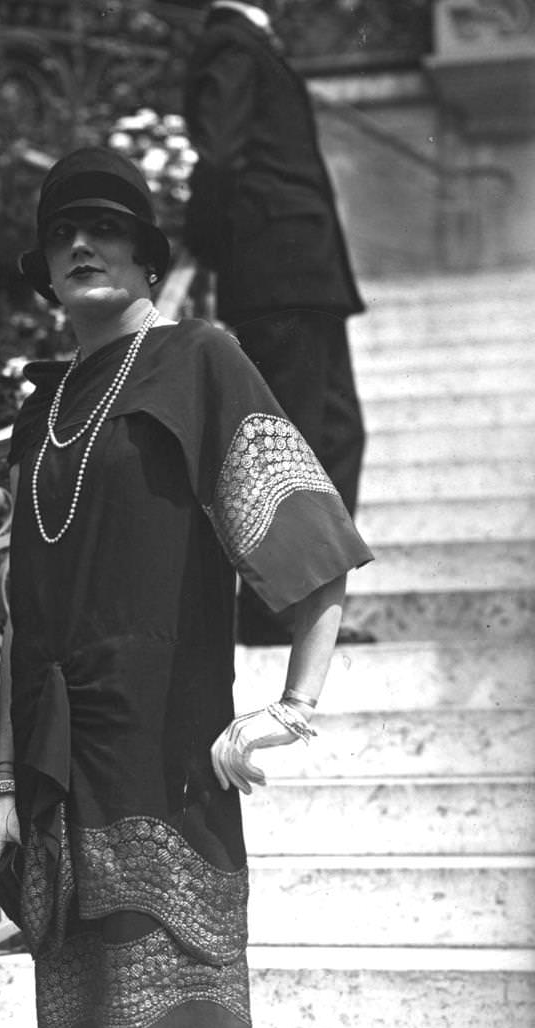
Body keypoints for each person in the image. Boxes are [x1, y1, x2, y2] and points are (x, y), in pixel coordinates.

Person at [0, 146, 371, 1028]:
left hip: (163, 745)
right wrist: (0, 782)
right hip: (56, 758)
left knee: (167, 1027)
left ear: (151, 253)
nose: (80, 248)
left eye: (107, 229)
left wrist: (291, 710)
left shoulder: (198, 358)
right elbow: (21, 607)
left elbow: (307, 540)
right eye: (60, 235)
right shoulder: (46, 401)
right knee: (95, 1026)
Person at [183, 0, 369, 644]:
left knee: (338, 433)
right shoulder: (232, 46)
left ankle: (304, 611)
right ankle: (279, 616)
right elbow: (222, 156)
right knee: (304, 443)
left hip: (300, 270)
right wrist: (206, 246)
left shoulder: (245, 45)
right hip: (278, 270)